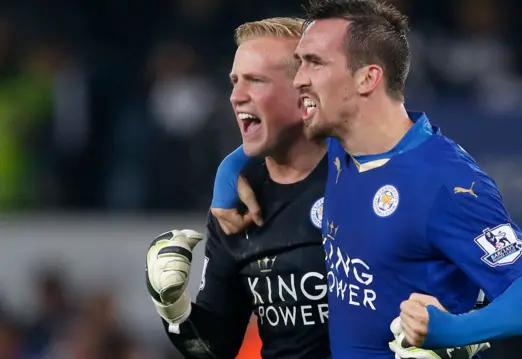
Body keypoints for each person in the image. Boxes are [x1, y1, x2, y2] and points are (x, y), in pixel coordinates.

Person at [210, 1, 522, 359]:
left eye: (314, 63)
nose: (299, 78)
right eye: (300, 62)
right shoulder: (337, 143)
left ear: (367, 78)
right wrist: (227, 178)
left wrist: (453, 330)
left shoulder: (446, 183)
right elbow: (267, 136)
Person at [144, 16, 484, 359]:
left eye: (256, 81)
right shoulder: (237, 206)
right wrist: (173, 307)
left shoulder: (380, 172)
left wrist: (457, 336)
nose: (236, 96)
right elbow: (213, 349)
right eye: (235, 82)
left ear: (306, 91)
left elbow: (479, 286)